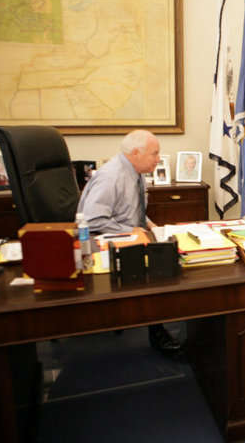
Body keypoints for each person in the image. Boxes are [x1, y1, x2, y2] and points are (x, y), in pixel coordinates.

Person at [77, 130, 184, 357]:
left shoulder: (135, 172)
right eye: (155, 154)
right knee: (161, 269)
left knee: (172, 253)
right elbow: (93, 219)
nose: (158, 159)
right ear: (136, 153)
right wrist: (131, 231)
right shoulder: (111, 177)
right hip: (103, 242)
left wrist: (151, 225)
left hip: (128, 235)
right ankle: (158, 331)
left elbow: (130, 211)